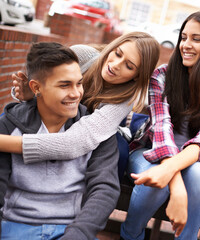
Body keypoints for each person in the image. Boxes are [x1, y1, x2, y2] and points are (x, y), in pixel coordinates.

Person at [120, 11, 200, 240]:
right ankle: (130, 235)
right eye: (183, 37)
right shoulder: (161, 76)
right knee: (156, 180)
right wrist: (176, 186)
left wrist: (172, 172)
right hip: (149, 152)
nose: (186, 45)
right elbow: (161, 131)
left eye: (196, 39)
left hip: (191, 162)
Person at [0, 32, 160, 181]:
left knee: (118, 150)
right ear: (112, 47)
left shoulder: (125, 98)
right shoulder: (80, 55)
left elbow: (74, 142)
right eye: (118, 53)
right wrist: (31, 95)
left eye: (129, 66)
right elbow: (39, 82)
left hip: (88, 132)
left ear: (137, 76)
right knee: (10, 117)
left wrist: (5, 143)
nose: (116, 64)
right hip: (57, 116)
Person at [0, 42, 120, 239]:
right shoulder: (8, 127)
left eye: (79, 83)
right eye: (65, 85)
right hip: (14, 227)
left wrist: (79, 233)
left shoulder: (97, 131)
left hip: (71, 229)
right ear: (36, 87)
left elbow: (104, 189)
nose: (75, 94)